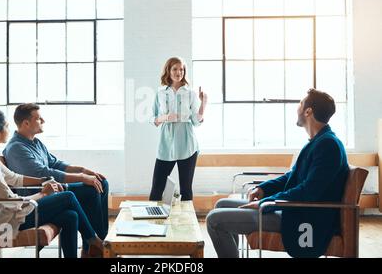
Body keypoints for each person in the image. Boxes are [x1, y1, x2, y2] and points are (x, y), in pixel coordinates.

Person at [206, 89, 349, 258]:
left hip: (303, 216)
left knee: (214, 220)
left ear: (308, 111)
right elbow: (292, 177)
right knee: (221, 204)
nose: (297, 108)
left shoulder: (328, 145)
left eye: (301, 104)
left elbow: (308, 192)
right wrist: (263, 189)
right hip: (292, 208)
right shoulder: (319, 141)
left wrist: (266, 203)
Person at [0, 107, 103, 258]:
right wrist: (43, 193)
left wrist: (43, 181)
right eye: (7, 126)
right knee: (67, 197)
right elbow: (12, 202)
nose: (10, 129)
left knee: (70, 215)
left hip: (6, 215)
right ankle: (94, 241)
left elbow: (15, 178)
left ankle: (90, 245)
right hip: (1, 223)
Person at [2, 103, 109, 255]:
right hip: (38, 195)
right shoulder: (16, 148)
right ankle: (93, 246)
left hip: (53, 189)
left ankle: (99, 240)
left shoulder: (35, 142)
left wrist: (84, 171)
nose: (43, 121)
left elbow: (55, 163)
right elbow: (43, 173)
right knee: (91, 190)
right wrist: (82, 178)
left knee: (101, 183)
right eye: (39, 118)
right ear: (26, 123)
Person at [149, 56, 207, 201]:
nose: (178, 72)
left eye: (181, 69)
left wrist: (203, 103)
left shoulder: (190, 93)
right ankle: (151, 222)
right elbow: (153, 119)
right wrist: (166, 117)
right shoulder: (160, 93)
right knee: (157, 188)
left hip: (187, 146)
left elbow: (196, 121)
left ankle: (187, 224)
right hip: (166, 146)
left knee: (186, 190)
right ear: (168, 71)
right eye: (175, 69)